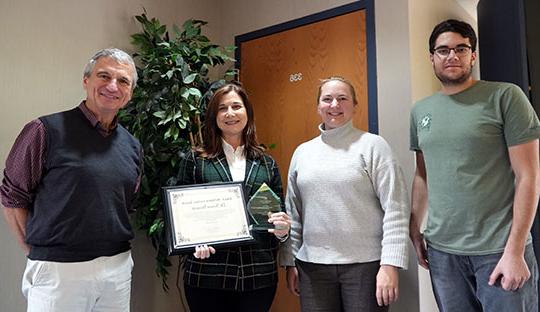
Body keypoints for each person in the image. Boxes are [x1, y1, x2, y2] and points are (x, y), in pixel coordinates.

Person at [409, 19, 540, 311]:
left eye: (461, 48)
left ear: (473, 55)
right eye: (442, 50)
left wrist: (516, 250)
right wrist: (414, 228)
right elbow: (422, 175)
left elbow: (528, 176)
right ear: (432, 57)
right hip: (443, 253)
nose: (452, 56)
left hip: (498, 249)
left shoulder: (505, 96)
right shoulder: (420, 111)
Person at [1, 48, 142, 312]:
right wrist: (36, 251)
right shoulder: (44, 130)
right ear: (86, 81)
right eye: (104, 76)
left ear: (130, 93)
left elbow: (126, 204)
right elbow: (12, 197)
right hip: (60, 272)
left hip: (118, 269)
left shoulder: (132, 146)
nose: (113, 86)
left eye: (123, 81)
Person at [280, 76, 410, 312]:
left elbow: (396, 208)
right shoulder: (302, 153)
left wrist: (390, 264)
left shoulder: (373, 146)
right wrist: (290, 262)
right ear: (318, 106)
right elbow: (294, 213)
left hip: (365, 268)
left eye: (342, 98)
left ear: (354, 104)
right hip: (312, 268)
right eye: (327, 99)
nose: (334, 105)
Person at [175, 83, 291, 312]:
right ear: (213, 116)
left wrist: (282, 230)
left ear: (247, 112)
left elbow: (278, 214)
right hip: (208, 272)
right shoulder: (195, 160)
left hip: (259, 274)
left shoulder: (267, 163)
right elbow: (179, 216)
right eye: (222, 108)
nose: (230, 113)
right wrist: (192, 242)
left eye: (236, 106)